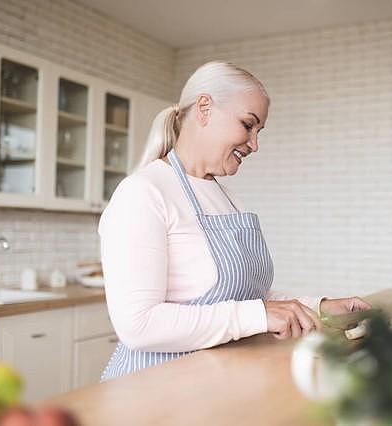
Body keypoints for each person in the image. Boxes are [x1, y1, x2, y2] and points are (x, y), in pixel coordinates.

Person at [98, 61, 370, 381]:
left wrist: (320, 307)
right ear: (204, 108)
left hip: (217, 382)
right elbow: (138, 326)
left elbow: (249, 300)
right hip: (156, 387)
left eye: (258, 131)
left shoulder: (226, 196)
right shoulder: (143, 192)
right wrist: (258, 314)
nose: (254, 144)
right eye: (247, 125)